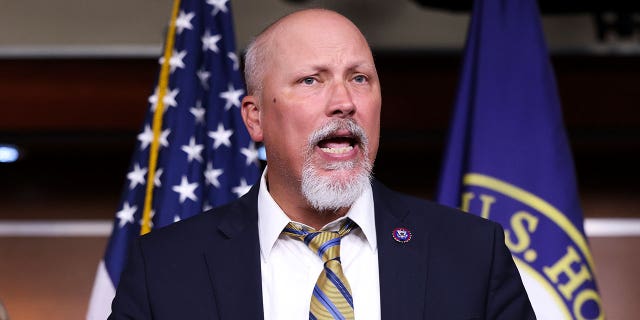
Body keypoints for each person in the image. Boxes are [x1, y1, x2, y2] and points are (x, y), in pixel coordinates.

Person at [109, 8, 535, 320]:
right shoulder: (164, 268)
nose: (344, 102)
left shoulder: (473, 254)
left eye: (359, 78)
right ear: (255, 117)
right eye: (311, 80)